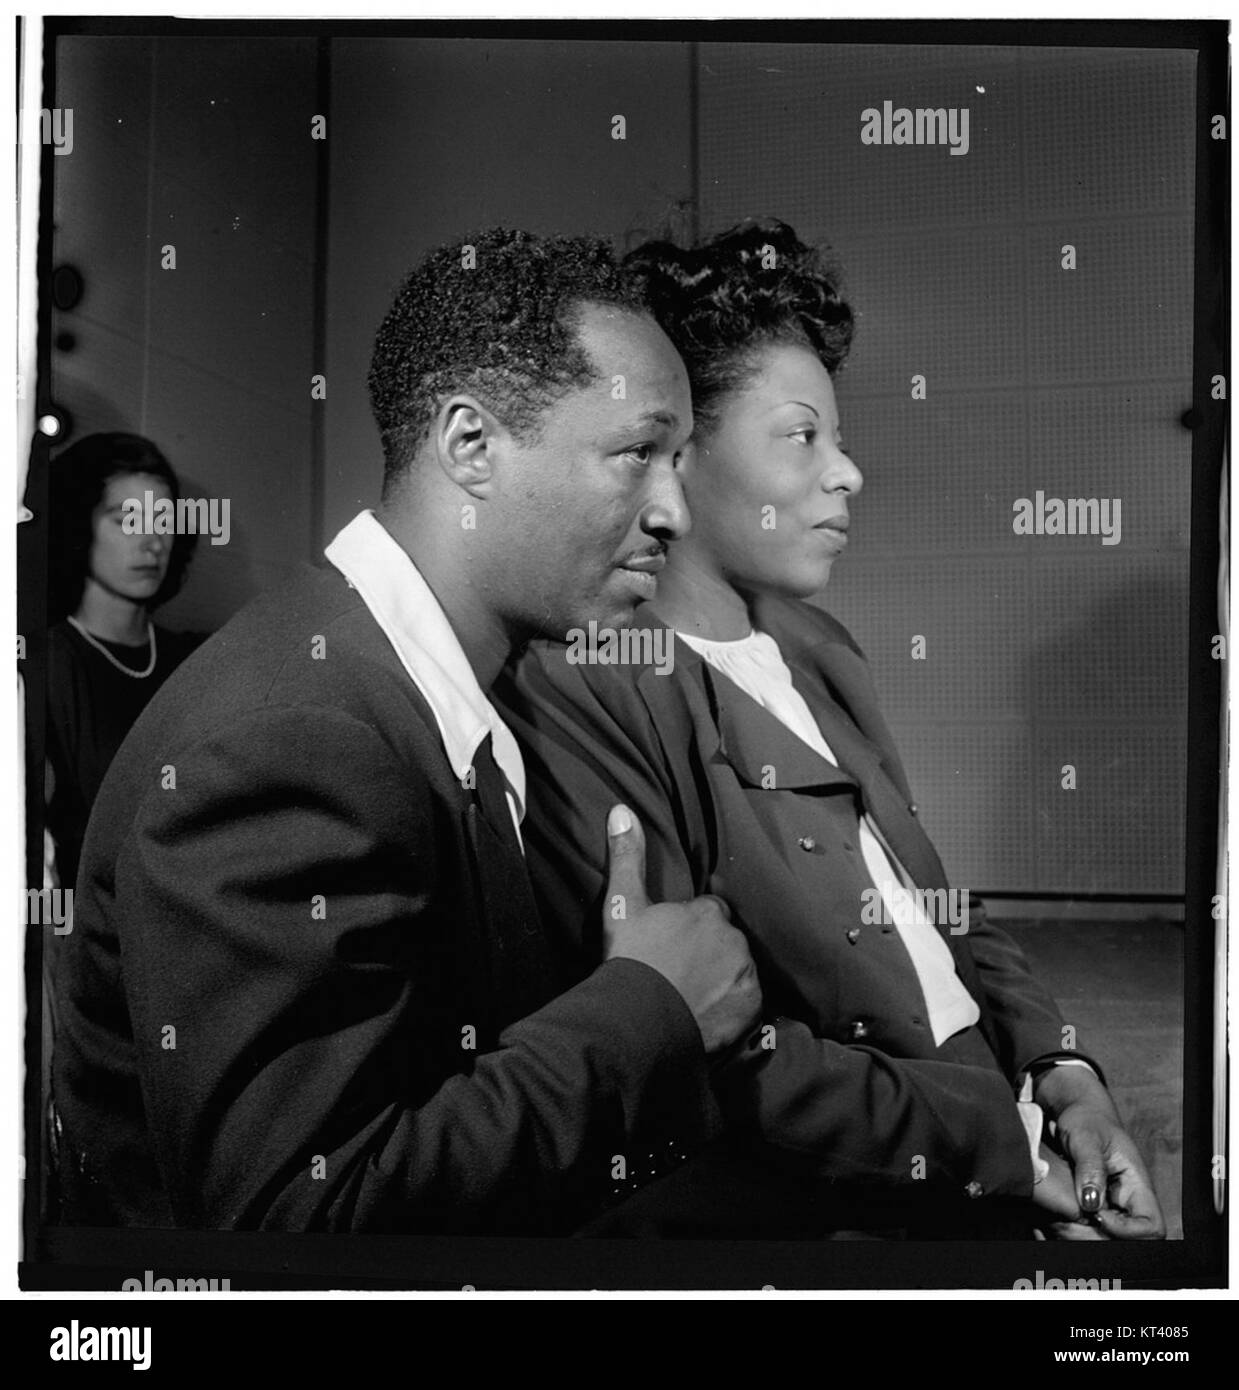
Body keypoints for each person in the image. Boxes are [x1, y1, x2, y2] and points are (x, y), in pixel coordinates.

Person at [49, 229, 760, 1234]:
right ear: (471, 445)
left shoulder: (411, 691)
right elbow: (300, 1221)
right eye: (639, 452)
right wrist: (648, 1009)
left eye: (678, 462)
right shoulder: (294, 736)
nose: (675, 510)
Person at [496, 220, 1166, 1240]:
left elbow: (935, 907)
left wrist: (1066, 1075)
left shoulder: (820, 647)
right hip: (869, 1196)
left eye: (840, 440)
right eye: (805, 435)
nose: (849, 473)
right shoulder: (586, 685)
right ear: (679, 447)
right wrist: (1012, 1152)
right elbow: (717, 1051)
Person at [44, 432, 202, 893]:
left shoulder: (193, 659)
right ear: (79, 526)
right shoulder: (49, 663)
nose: (152, 541)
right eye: (126, 519)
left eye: (163, 520)